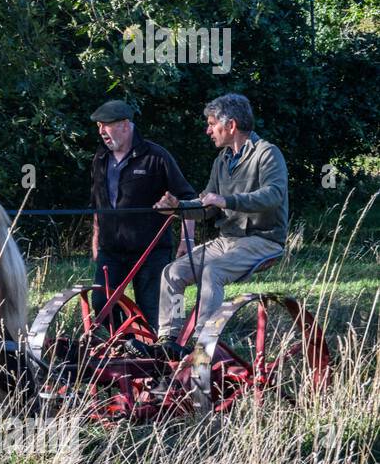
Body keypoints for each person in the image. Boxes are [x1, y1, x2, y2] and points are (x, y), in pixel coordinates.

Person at [153, 94, 289, 374]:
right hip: (227, 241)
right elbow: (207, 208)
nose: (208, 130)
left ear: (231, 125)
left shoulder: (267, 153)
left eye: (212, 124)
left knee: (212, 272)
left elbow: (274, 195)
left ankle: (203, 344)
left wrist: (227, 201)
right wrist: (177, 209)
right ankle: (169, 340)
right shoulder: (221, 160)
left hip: (263, 240)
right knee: (172, 273)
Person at [88, 100, 196, 335]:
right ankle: (125, 344)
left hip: (151, 251)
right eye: (99, 126)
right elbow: (98, 202)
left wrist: (187, 240)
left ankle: (155, 356)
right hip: (111, 250)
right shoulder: (100, 159)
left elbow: (188, 198)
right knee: (101, 303)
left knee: (151, 310)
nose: (101, 132)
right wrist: (96, 237)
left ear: (125, 125)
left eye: (106, 125)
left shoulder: (156, 157)